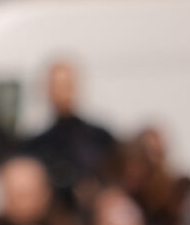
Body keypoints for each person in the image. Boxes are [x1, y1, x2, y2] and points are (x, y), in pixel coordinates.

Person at [21, 59, 118, 211]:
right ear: (46, 90)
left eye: (66, 85)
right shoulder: (35, 146)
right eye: (56, 86)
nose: (62, 92)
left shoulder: (100, 138)